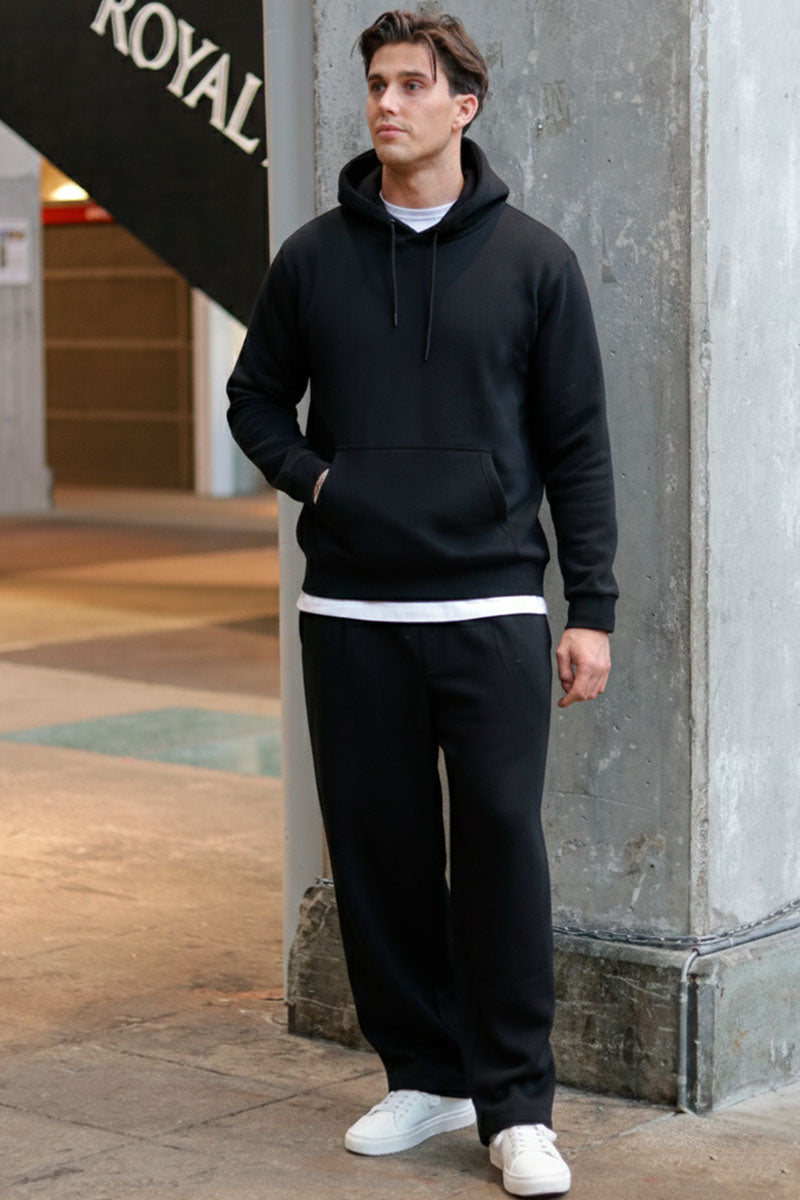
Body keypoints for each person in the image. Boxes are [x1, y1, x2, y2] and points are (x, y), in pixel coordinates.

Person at [227, 10, 617, 1196]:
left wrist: (589, 607)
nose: (386, 104)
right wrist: (324, 483)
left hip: (490, 607)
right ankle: (422, 1074)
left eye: (410, 85)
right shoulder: (311, 259)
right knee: (378, 856)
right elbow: (254, 400)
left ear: (463, 106)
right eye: (377, 85)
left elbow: (577, 447)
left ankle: (516, 1107)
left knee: (499, 850)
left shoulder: (534, 262)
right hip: (351, 612)